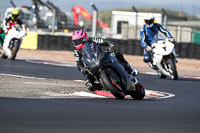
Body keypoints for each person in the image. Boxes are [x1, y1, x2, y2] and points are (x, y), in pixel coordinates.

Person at [72, 29, 138, 91]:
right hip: (91, 66)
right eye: (75, 42)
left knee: (116, 54)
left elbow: (105, 41)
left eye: (78, 41)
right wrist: (82, 69)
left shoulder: (92, 40)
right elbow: (79, 64)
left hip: (101, 58)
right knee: (88, 84)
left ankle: (130, 70)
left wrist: (110, 46)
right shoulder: (76, 52)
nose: (77, 43)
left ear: (84, 38)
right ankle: (103, 86)